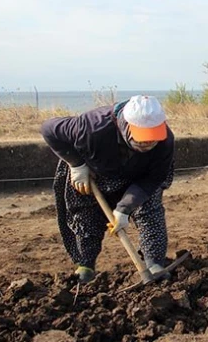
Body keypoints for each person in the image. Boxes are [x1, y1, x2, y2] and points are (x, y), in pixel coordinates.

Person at [40, 95, 175, 284]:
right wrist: (76, 164)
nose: (149, 143)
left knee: (149, 210)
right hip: (92, 172)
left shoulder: (165, 142)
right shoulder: (92, 127)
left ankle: (154, 264)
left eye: (153, 138)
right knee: (85, 214)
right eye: (142, 138)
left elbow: (152, 179)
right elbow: (48, 129)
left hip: (139, 175)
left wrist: (124, 209)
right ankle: (85, 265)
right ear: (126, 126)